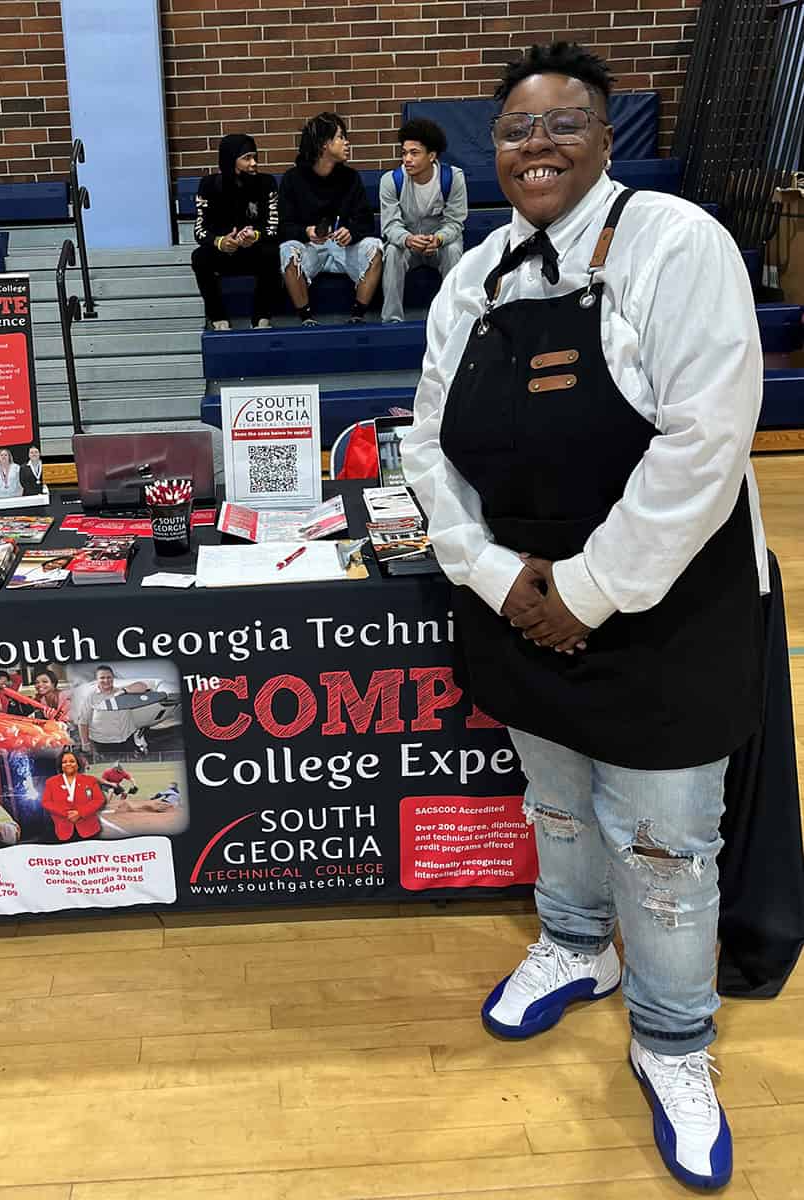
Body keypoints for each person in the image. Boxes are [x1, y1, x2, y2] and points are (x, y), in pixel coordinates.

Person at [400, 41, 768, 1192]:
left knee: (663, 847)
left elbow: (705, 442)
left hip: (666, 610)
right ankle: (572, 947)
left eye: (562, 123)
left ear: (606, 138)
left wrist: (589, 591)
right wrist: (500, 578)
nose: (537, 144)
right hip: (518, 600)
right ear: (492, 151)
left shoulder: (676, 244)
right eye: (515, 129)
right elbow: (424, 446)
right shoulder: (475, 277)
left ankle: (673, 1041)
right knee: (555, 804)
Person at [277, 113, 383, 326]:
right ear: (325, 144)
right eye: (341, 137)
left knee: (376, 247)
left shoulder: (351, 177)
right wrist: (306, 232)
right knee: (287, 250)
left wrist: (350, 231)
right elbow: (283, 227)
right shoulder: (292, 179)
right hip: (310, 247)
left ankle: (357, 315)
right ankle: (306, 318)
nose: (346, 142)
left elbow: (365, 220)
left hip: (343, 248)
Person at [379, 118, 467, 324]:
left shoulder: (453, 178)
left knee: (454, 249)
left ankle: (452, 319)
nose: (407, 159)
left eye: (414, 153)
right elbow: (390, 225)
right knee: (391, 251)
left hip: (438, 244)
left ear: (432, 155)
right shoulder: (391, 181)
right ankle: (392, 321)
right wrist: (408, 239)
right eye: (404, 153)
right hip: (409, 245)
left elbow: (455, 222)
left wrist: (439, 238)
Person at [191, 134, 280, 331]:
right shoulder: (209, 185)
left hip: (253, 251)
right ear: (231, 160)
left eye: (254, 157)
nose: (254, 163)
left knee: (274, 253)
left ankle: (261, 318)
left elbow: (274, 228)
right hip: (225, 253)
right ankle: (217, 317)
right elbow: (199, 230)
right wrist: (220, 242)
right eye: (247, 158)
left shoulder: (267, 183)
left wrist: (255, 236)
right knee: (199, 257)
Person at [76, 665, 158, 760]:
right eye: (102, 678)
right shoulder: (90, 697)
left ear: (113, 678)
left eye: (109, 677)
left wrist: (124, 691)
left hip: (126, 741)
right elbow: (83, 722)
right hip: (102, 744)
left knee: (128, 772)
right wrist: (85, 744)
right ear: (97, 679)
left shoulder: (123, 692)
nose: (106, 680)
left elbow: (143, 686)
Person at [40, 748, 105, 841]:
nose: (68, 764)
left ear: (78, 764)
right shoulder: (51, 782)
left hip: (90, 830)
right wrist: (66, 813)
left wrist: (80, 813)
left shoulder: (90, 780)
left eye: (72, 761)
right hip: (63, 831)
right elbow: (46, 802)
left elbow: (99, 800)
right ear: (61, 766)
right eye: (64, 762)